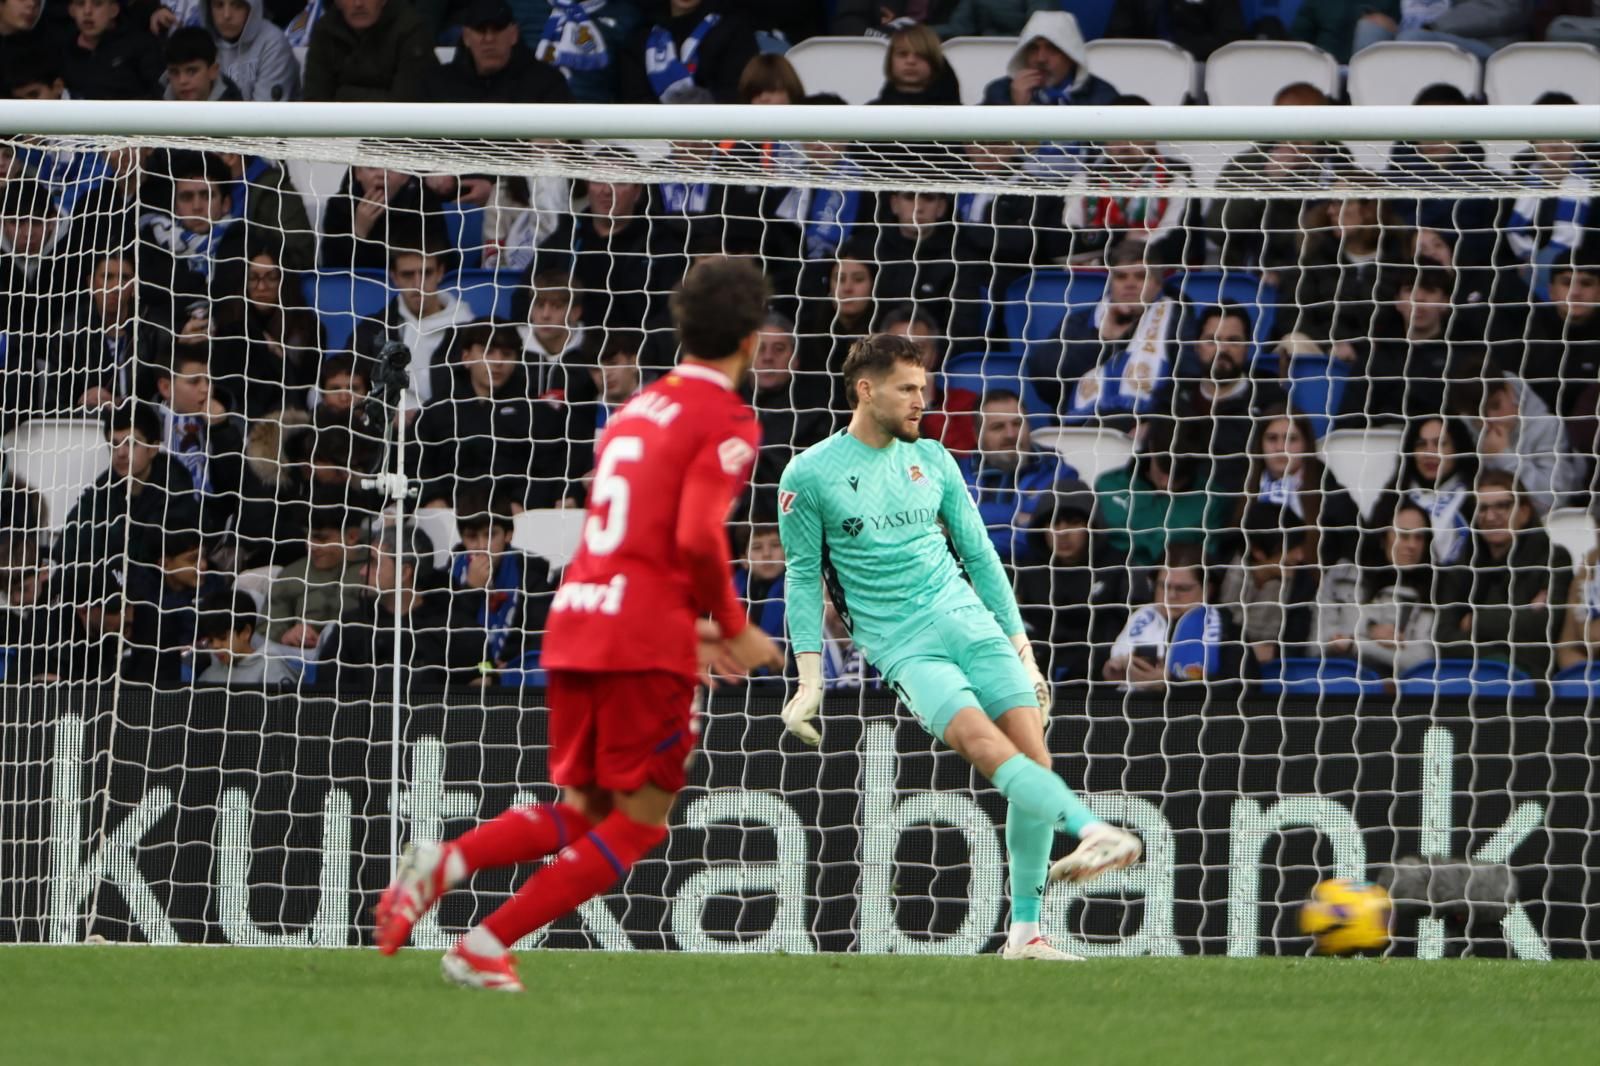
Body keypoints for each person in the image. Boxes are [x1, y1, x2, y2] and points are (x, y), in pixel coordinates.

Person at [372, 256, 783, 991]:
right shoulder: (727, 418)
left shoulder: (638, 408)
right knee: (638, 823)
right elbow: (692, 534)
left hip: (579, 616)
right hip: (638, 638)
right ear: (753, 339)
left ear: (679, 327)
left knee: (584, 808)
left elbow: (629, 533)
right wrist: (731, 623)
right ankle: (483, 943)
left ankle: (447, 861)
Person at [778, 332, 1143, 963]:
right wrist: (808, 678)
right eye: (908, 389)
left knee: (1034, 759)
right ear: (867, 390)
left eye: (924, 387)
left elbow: (978, 555)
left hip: (967, 619)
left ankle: (1026, 934)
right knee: (981, 742)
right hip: (902, 642)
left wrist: (1024, 651)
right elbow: (803, 577)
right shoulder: (810, 475)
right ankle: (1093, 830)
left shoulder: (936, 459)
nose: (923, 400)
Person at [1439, 469, 1574, 679]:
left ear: (1525, 512)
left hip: (1531, 686)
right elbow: (1443, 638)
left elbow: (1546, 625)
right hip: (1468, 680)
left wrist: (1475, 622)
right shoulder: (1462, 568)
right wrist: (1501, 651)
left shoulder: (1554, 559)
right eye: (1483, 508)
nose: (1491, 516)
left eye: (1502, 506)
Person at [1013, 484, 1127, 683]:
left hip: (1103, 679)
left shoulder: (1118, 567)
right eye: (1054, 524)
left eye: (1073, 523)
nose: (1062, 533)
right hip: (1038, 679)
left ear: (1092, 525)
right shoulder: (1026, 571)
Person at [1315, 498, 1441, 677]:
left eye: (1419, 537)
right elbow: (1315, 643)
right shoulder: (1342, 575)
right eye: (1403, 535)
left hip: (1393, 693)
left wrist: (1355, 644)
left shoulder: (1431, 590)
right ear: (1382, 537)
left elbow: (1422, 659)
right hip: (1332, 681)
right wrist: (1370, 630)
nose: (1412, 545)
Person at [446, 489, 556, 682]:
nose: (482, 545)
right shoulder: (448, 575)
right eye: (472, 536)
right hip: (465, 672)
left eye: (490, 535)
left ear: (508, 535)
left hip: (513, 671)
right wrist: (470, 590)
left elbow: (541, 635)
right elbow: (447, 638)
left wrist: (504, 667)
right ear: (462, 539)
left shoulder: (531, 575)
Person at [208, 238, 324, 419]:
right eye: (253, 278)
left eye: (271, 278)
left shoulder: (308, 328)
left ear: (284, 280)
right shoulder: (227, 322)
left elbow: (304, 393)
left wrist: (280, 358)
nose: (261, 287)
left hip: (282, 419)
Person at [353, 244, 480, 407]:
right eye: (407, 275)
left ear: (440, 273)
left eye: (426, 273)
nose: (418, 283)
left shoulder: (470, 329)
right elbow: (350, 377)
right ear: (394, 277)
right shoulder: (374, 329)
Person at [959, 390, 1074, 565]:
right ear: (977, 435)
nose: (1011, 435)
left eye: (1017, 424)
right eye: (998, 427)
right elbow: (946, 527)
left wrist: (970, 534)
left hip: (1038, 576)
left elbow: (1044, 541)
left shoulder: (1058, 472)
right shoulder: (958, 475)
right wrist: (1018, 517)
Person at [264, 498, 366, 657]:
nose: (310, 546)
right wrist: (285, 635)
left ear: (352, 536)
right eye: (307, 537)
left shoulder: (376, 570)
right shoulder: (292, 575)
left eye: (322, 538)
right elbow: (266, 626)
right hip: (299, 661)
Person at [423, 0, 572, 103]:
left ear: (513, 34)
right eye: (480, 30)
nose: (489, 39)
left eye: (497, 29)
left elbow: (568, 142)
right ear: (466, 37)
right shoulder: (438, 84)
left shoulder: (546, 83)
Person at [301, 0, 436, 102]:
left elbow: (407, 104)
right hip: (335, 134)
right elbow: (314, 101)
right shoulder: (325, 31)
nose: (358, 3)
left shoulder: (410, 29)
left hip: (400, 136)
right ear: (337, 2)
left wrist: (344, 94)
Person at [980, 11, 1118, 107]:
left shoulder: (1101, 95)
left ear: (1071, 55)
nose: (1041, 59)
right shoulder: (1001, 91)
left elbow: (1108, 148)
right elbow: (983, 147)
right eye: (1033, 48)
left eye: (1052, 48)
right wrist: (1017, 109)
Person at [194, 588, 299, 687]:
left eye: (222, 638)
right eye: (210, 640)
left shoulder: (271, 669)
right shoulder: (210, 675)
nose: (215, 646)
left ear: (245, 632)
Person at [62, 0, 164, 100]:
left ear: (113, 10)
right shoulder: (63, 51)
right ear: (71, 10)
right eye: (80, 4)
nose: (87, 11)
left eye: (97, 4)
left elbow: (157, 94)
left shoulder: (139, 45)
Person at [205, 0, 299, 101]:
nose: (227, 15)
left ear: (252, 7)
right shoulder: (202, 43)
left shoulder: (272, 43)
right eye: (219, 5)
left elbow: (264, 113)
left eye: (237, 5)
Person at [1105, 0, 1246, 59]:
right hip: (1142, 69)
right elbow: (1116, 40)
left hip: (1200, 72)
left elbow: (1231, 39)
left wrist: (1178, 51)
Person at [869, 22, 960, 105]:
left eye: (921, 55)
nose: (911, 61)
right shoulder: (869, 114)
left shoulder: (960, 116)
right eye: (903, 54)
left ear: (934, 61)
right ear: (890, 60)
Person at [161, 25, 244, 100]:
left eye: (191, 71)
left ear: (213, 71)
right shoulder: (154, 100)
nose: (182, 80)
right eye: (174, 72)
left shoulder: (235, 110)